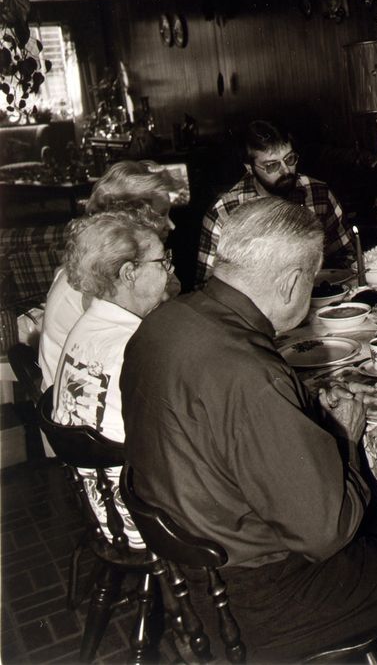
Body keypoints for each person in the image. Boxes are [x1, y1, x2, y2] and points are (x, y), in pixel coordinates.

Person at [122, 198, 377, 662]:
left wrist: (303, 421)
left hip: (192, 572)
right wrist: (343, 437)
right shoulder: (252, 374)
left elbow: (221, 428)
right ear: (290, 283)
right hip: (260, 598)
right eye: (313, 279)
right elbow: (329, 533)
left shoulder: (161, 324)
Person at [52, 210, 173, 548]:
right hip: (145, 519)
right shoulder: (135, 347)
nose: (169, 270)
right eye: (162, 261)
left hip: (104, 508)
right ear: (129, 273)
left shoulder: (87, 326)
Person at [39, 159, 180, 389]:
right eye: (162, 214)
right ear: (134, 218)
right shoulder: (101, 279)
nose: (171, 225)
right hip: (83, 405)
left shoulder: (103, 263)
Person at [195, 119, 352, 286]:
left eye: (290, 159)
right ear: (250, 168)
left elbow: (346, 255)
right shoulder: (224, 213)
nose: (285, 171)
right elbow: (208, 287)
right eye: (271, 166)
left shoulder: (318, 193)